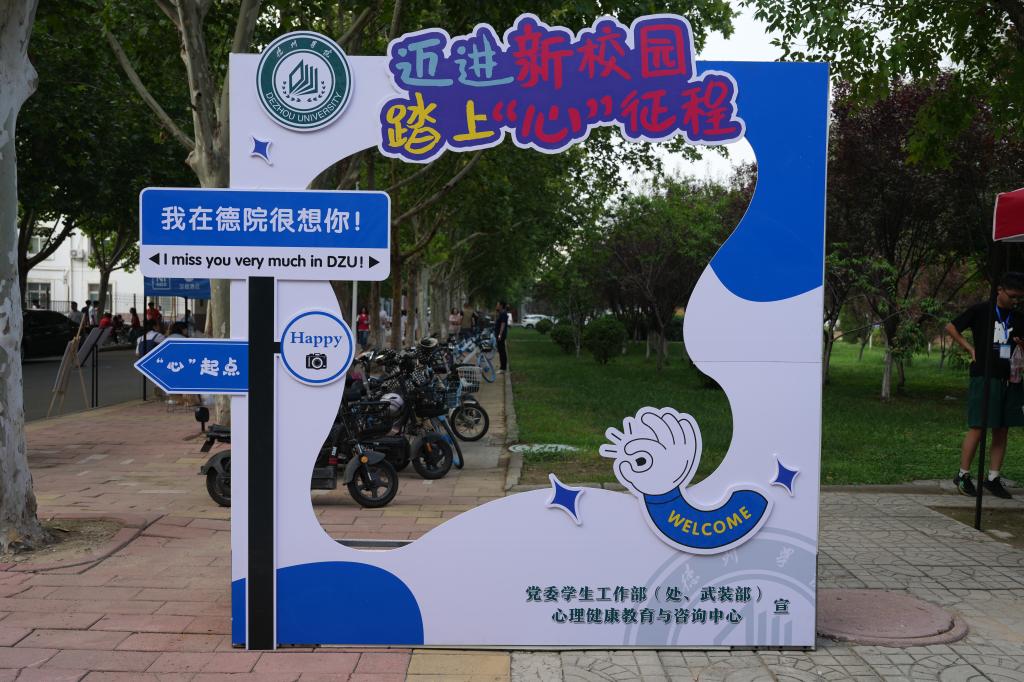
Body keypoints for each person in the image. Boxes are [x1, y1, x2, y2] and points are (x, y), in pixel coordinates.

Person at [946, 272, 1024, 499]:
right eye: (1012, 296)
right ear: (999, 290)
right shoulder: (981, 310)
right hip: (984, 376)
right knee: (979, 426)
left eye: (1019, 298)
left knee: (1002, 428)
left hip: (1010, 377)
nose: (1015, 301)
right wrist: (970, 348)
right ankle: (963, 474)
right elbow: (951, 327)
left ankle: (993, 477)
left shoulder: (1019, 317)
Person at [495, 301, 509, 374]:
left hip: (501, 335)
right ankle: (502, 367)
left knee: (502, 351)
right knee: (501, 351)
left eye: (497, 305)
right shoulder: (501, 313)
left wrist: (500, 334)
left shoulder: (503, 313)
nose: (496, 306)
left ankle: (503, 368)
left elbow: (503, 324)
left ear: (501, 305)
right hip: (499, 334)